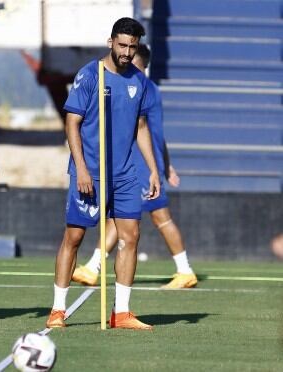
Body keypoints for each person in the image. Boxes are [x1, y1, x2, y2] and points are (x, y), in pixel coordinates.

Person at [46, 17, 160, 331]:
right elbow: (72, 123)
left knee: (131, 237)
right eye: (122, 45)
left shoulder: (139, 80)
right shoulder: (89, 75)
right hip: (90, 172)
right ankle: (57, 309)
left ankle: (121, 312)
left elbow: (141, 127)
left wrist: (152, 169)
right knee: (75, 237)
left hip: (124, 175)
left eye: (132, 47)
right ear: (110, 42)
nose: (126, 51)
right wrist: (81, 168)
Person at [71, 44, 198, 289]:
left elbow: (147, 131)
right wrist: (166, 165)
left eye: (132, 58)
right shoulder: (148, 89)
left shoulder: (140, 87)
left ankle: (184, 270)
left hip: (140, 163)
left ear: (142, 63)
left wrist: (158, 167)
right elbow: (158, 133)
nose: (126, 61)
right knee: (125, 217)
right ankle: (93, 266)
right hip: (142, 161)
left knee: (156, 217)